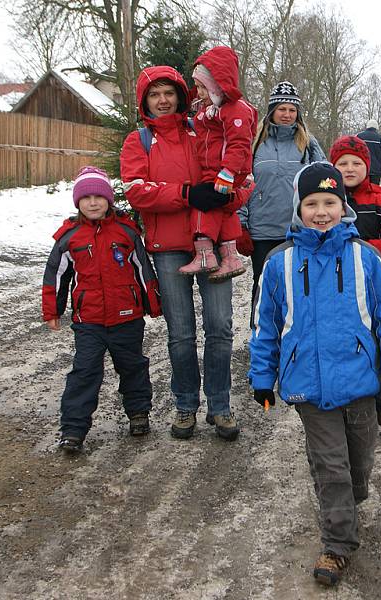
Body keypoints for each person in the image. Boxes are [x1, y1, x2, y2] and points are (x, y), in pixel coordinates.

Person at [249, 161, 381, 587]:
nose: (321, 211)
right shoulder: (278, 264)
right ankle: (337, 545)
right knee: (331, 466)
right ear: (298, 208)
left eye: (330, 202)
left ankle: (345, 502)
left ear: (344, 206)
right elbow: (265, 327)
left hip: (360, 383)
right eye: (311, 203)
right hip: (308, 385)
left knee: (358, 466)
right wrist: (262, 378)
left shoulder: (367, 258)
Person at [120, 65, 241, 441]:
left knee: (219, 328)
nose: (162, 100)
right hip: (168, 249)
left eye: (168, 92)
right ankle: (186, 404)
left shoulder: (201, 129)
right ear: (145, 100)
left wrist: (227, 194)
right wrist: (188, 194)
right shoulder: (138, 141)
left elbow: (233, 170)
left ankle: (219, 405)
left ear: (180, 95)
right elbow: (137, 191)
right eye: (154, 94)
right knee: (181, 333)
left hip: (214, 242)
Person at [42, 166, 161, 453]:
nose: (93, 202)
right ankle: (73, 429)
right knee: (84, 371)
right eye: (86, 197)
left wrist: (153, 304)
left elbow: (144, 270)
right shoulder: (69, 237)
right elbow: (55, 275)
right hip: (89, 321)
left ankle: (138, 413)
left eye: (99, 196)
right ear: (77, 202)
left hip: (127, 317)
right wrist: (52, 310)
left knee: (132, 365)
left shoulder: (125, 232)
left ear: (109, 200)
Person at [329, 135, 381, 444]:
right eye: (343, 164)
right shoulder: (326, 199)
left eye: (356, 163)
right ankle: (347, 400)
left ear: (368, 165)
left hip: (377, 285)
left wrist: (363, 251)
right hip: (338, 287)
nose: (350, 169)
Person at [239, 81, 325, 322]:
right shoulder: (254, 143)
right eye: (282, 109)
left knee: (299, 286)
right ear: (271, 111)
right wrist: (241, 224)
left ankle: (297, 337)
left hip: (298, 229)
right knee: (264, 285)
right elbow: (242, 184)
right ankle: (261, 335)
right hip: (262, 230)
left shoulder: (308, 144)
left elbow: (325, 181)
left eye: (292, 110)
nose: (287, 115)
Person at [179, 46, 257, 281]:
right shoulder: (215, 108)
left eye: (204, 87)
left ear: (218, 84)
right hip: (218, 168)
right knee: (224, 211)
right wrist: (201, 112)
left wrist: (228, 172)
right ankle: (230, 257)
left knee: (204, 206)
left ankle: (205, 255)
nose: (199, 92)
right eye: (198, 87)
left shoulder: (235, 109)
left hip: (222, 170)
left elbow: (239, 143)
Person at [356, 118, 381, 184]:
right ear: (376, 128)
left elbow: (353, 151)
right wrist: (378, 158)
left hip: (361, 169)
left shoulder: (359, 136)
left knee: (361, 191)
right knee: (374, 191)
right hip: (376, 171)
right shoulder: (380, 138)